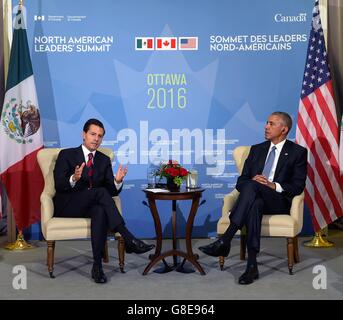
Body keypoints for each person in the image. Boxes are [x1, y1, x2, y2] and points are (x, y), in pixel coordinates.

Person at [199, 111, 307, 285]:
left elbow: (297, 186)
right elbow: (241, 182)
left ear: (284, 129)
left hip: (278, 201)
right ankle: (251, 266)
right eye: (267, 122)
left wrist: (273, 185)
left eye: (272, 124)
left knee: (253, 186)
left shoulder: (297, 152)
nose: (266, 126)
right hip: (255, 198)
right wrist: (253, 182)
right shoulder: (256, 150)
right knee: (253, 199)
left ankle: (225, 240)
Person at [53, 118, 154, 284]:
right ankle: (128, 238)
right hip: (68, 204)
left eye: (100, 136)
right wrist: (74, 177)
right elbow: (58, 184)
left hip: (91, 205)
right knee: (99, 193)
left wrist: (118, 181)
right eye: (93, 134)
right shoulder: (67, 154)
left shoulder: (103, 159)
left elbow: (111, 191)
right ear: (83, 135)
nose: (96, 139)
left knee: (100, 210)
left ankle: (97, 267)